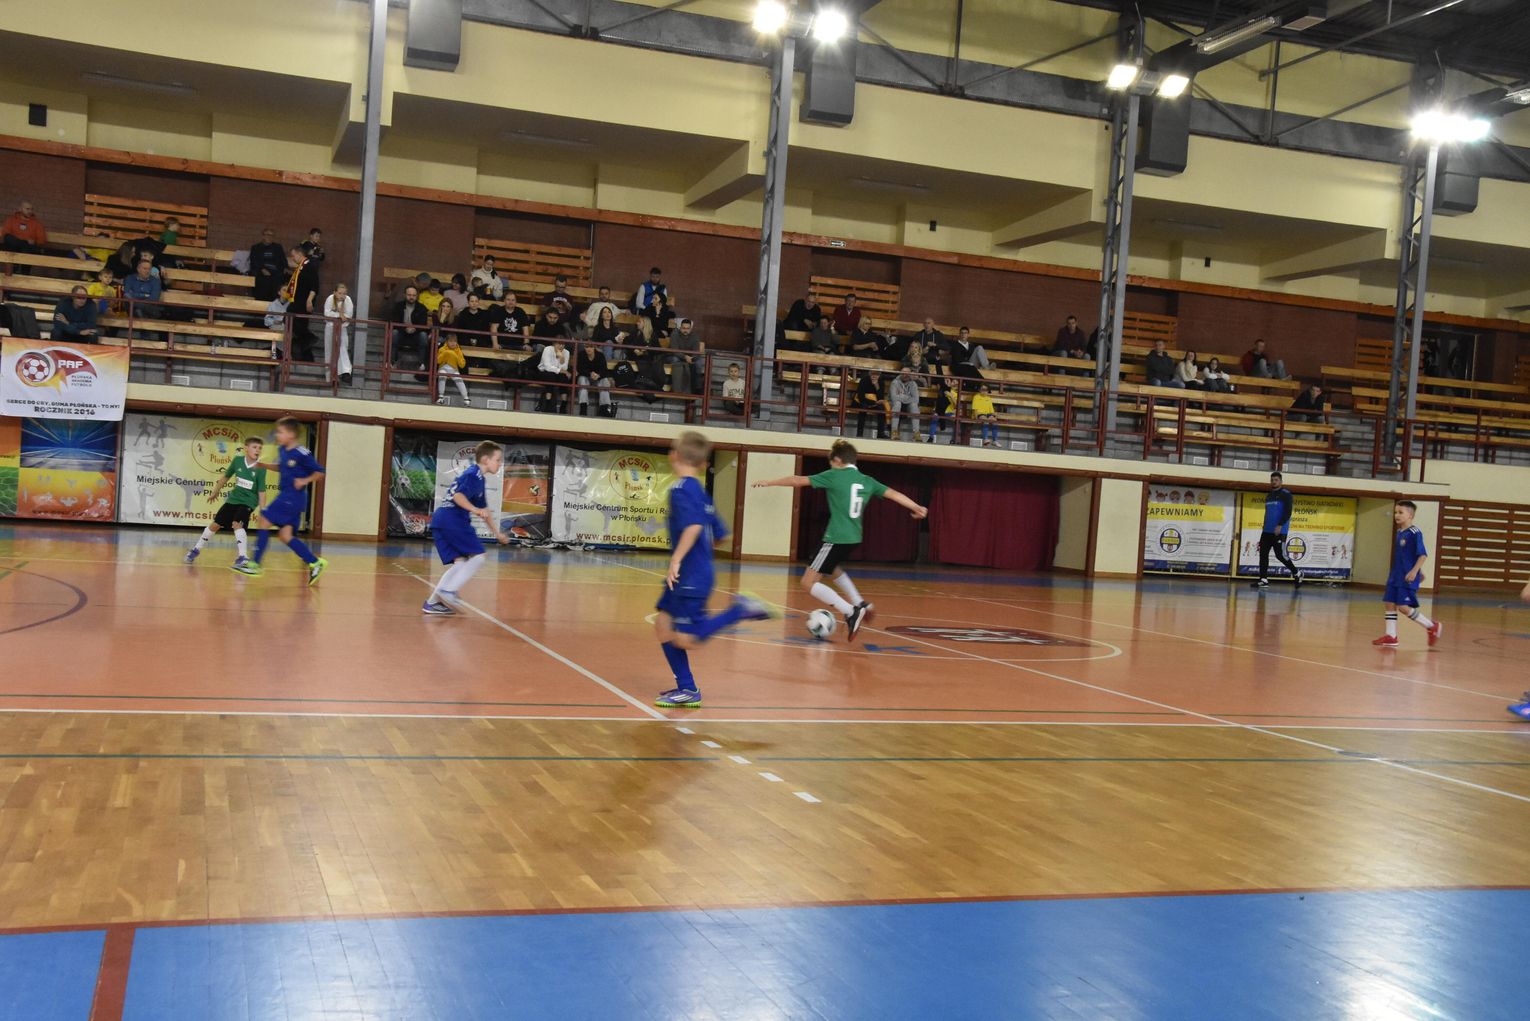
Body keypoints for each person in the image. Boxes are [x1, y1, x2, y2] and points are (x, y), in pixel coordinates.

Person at [752, 439, 927, 641]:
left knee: (808, 582)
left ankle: (850, 611)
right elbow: (894, 494)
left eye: (831, 462)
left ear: (837, 460)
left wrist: (770, 482)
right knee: (831, 568)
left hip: (835, 536)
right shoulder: (867, 480)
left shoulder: (834, 475)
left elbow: (797, 480)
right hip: (854, 537)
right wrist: (916, 507)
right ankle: (859, 603)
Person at [653, 431, 774, 708]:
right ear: (703, 463)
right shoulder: (700, 492)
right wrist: (699, 554)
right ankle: (687, 688)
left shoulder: (681, 489)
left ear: (674, 456)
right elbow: (721, 534)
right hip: (693, 572)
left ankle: (740, 610)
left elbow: (694, 526)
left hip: (690, 575)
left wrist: (677, 559)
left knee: (687, 638)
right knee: (663, 625)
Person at [231, 417, 327, 584]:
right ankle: (315, 562)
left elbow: (320, 472)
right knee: (285, 535)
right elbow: (281, 467)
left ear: (291, 434)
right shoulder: (283, 449)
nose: (277, 435)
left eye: (280, 432)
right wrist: (264, 465)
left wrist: (304, 480)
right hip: (288, 497)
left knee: (264, 520)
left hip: (293, 497)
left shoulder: (302, 453)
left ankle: (255, 564)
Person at [422, 440, 512, 615]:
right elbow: (458, 496)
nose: (500, 463)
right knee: (479, 557)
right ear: (485, 460)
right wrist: (474, 510)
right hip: (452, 519)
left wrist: (497, 533)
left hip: (441, 520)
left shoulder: (479, 479)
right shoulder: (473, 475)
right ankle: (449, 591)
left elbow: (485, 510)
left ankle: (432, 603)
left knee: (460, 562)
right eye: (497, 459)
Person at [184, 436, 266, 569]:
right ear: (246, 448)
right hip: (234, 499)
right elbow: (225, 477)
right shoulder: (238, 461)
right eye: (254, 447)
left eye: (260, 448)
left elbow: (262, 491)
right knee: (215, 525)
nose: (257, 450)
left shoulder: (261, 468)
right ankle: (196, 549)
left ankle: (243, 557)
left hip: (249, 501)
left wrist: (263, 510)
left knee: (237, 523)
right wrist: (215, 491)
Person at [1373, 500, 1441, 648]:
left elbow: (1422, 555)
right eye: (1395, 512)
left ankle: (1431, 626)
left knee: (1403, 607)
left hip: (1406, 577)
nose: (1396, 515)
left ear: (1410, 515)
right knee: (1389, 603)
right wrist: (1419, 571)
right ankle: (1391, 636)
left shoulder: (1414, 533)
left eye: (1400, 512)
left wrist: (1415, 571)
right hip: (1395, 575)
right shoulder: (1399, 533)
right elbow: (1407, 556)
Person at [1251, 471, 1303, 589]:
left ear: (1281, 481)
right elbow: (1267, 512)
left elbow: (1288, 512)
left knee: (1280, 555)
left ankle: (1297, 573)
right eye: (1272, 480)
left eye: (1276, 480)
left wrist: (1280, 525)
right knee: (1263, 554)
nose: (1274, 482)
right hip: (1267, 531)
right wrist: (1264, 525)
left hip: (1279, 531)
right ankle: (1263, 579)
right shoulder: (1269, 495)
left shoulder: (1286, 494)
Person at [285, 246, 321, 362]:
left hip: (304, 302)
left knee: (290, 318)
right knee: (295, 325)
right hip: (298, 300)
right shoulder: (300, 267)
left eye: (293, 255)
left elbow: (314, 285)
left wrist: (309, 300)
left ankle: (309, 338)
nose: (292, 258)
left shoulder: (309, 266)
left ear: (299, 254)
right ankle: (306, 356)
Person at [322, 283, 355, 384]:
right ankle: (330, 377)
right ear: (335, 292)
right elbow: (327, 313)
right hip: (330, 327)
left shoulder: (348, 300)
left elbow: (348, 315)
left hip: (342, 327)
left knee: (342, 347)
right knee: (329, 351)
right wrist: (339, 314)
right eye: (340, 293)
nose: (342, 295)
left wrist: (341, 316)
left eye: (344, 293)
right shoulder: (330, 298)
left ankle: (345, 372)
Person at [123, 258, 164, 338]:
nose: (147, 271)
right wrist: (145, 296)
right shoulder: (130, 278)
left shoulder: (155, 281)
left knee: (140, 310)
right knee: (135, 307)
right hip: (132, 308)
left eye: (149, 269)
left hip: (148, 306)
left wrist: (135, 297)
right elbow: (127, 294)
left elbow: (154, 299)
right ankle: (146, 337)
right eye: (145, 268)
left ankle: (141, 317)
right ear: (138, 269)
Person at [391, 285, 430, 367]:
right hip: (401, 332)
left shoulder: (422, 308)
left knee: (423, 335)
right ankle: (391, 361)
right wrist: (405, 328)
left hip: (416, 334)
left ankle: (422, 364)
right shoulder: (398, 306)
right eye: (409, 295)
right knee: (394, 333)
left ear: (417, 296)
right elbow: (394, 322)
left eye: (413, 295)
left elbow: (423, 324)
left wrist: (415, 329)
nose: (411, 297)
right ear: (404, 295)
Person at [668, 318, 704, 397]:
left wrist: (692, 358)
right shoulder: (675, 334)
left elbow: (696, 351)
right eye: (683, 328)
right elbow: (674, 350)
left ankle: (697, 387)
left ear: (691, 329)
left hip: (690, 357)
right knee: (675, 359)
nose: (685, 330)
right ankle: (675, 385)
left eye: (688, 328)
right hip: (676, 355)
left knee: (699, 363)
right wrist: (685, 357)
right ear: (680, 327)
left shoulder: (695, 336)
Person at [576, 340, 613, 417]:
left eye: (591, 347)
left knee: (605, 381)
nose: (589, 349)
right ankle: (583, 408)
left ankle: (604, 409)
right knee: (582, 380)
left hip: (598, 378)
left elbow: (604, 370)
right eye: (587, 347)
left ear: (594, 347)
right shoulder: (581, 355)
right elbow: (579, 369)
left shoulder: (600, 355)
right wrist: (590, 374)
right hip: (586, 377)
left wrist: (598, 375)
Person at [248, 228, 286, 302]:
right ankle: (260, 304)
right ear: (263, 236)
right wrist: (262, 269)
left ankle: (274, 304)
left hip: (275, 272)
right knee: (262, 280)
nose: (270, 237)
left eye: (272, 235)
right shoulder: (255, 248)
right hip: (261, 271)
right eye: (268, 235)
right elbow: (254, 261)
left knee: (279, 279)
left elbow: (283, 260)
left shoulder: (278, 247)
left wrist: (285, 268)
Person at [535, 339, 572, 412]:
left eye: (563, 344)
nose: (561, 346)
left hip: (558, 373)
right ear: (554, 344)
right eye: (559, 344)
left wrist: (562, 359)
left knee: (564, 378)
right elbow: (547, 367)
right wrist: (561, 370)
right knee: (551, 376)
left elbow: (565, 368)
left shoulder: (566, 352)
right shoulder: (548, 349)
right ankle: (548, 403)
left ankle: (563, 405)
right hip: (544, 371)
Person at [853, 369, 890, 440]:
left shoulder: (881, 382)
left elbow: (880, 398)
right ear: (869, 374)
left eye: (877, 375)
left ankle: (880, 433)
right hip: (862, 401)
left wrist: (877, 386)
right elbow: (861, 397)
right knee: (863, 408)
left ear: (879, 376)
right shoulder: (864, 380)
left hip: (875, 402)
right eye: (873, 374)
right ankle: (859, 433)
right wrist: (874, 403)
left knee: (882, 409)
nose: (874, 376)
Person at [436, 334, 471, 406]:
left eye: (455, 341)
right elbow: (438, 361)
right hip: (443, 368)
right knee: (442, 376)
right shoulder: (442, 349)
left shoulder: (458, 351)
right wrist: (446, 353)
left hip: (454, 370)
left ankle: (466, 398)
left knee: (459, 379)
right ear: (446, 342)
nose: (453, 343)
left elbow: (462, 364)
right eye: (451, 341)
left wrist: (454, 355)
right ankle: (441, 397)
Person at [888, 366, 921, 440]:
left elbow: (916, 400)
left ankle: (916, 433)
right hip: (894, 404)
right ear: (900, 374)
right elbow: (894, 398)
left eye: (907, 374)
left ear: (910, 375)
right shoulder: (895, 382)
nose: (905, 376)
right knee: (897, 403)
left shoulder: (913, 384)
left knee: (914, 405)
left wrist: (901, 396)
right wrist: (908, 397)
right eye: (903, 374)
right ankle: (894, 431)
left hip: (907, 405)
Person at [927, 378, 959, 444]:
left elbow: (957, 405)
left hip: (949, 413)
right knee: (935, 417)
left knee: (957, 420)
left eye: (956, 384)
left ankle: (954, 440)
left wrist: (951, 396)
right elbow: (939, 400)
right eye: (953, 382)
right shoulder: (943, 389)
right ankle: (931, 437)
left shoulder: (956, 394)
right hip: (939, 411)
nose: (954, 384)